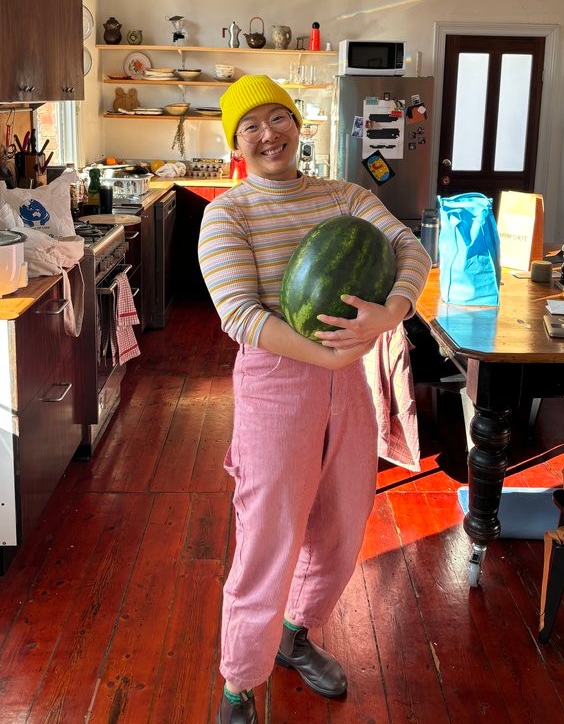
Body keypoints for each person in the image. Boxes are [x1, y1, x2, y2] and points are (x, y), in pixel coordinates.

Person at [198, 75, 430, 724]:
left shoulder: (345, 196)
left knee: (343, 525)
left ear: (298, 126)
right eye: (251, 126)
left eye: (279, 118)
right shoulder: (228, 213)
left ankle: (296, 635)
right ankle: (238, 686)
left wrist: (391, 313)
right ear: (237, 142)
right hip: (276, 384)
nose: (268, 133)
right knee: (268, 539)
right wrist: (325, 352)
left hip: (348, 380)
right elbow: (240, 315)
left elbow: (409, 247)